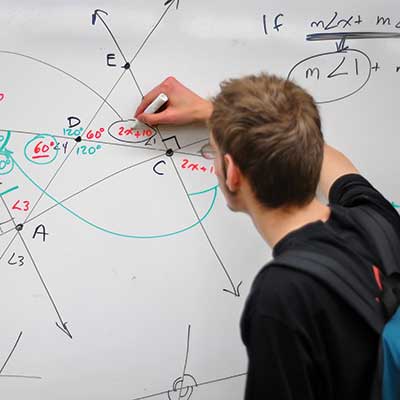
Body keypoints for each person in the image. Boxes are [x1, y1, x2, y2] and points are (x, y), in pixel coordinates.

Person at [135, 74, 400, 399]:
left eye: (214, 152)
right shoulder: (377, 220)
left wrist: (227, 123)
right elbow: (332, 161)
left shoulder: (282, 293)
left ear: (231, 173)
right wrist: (220, 117)